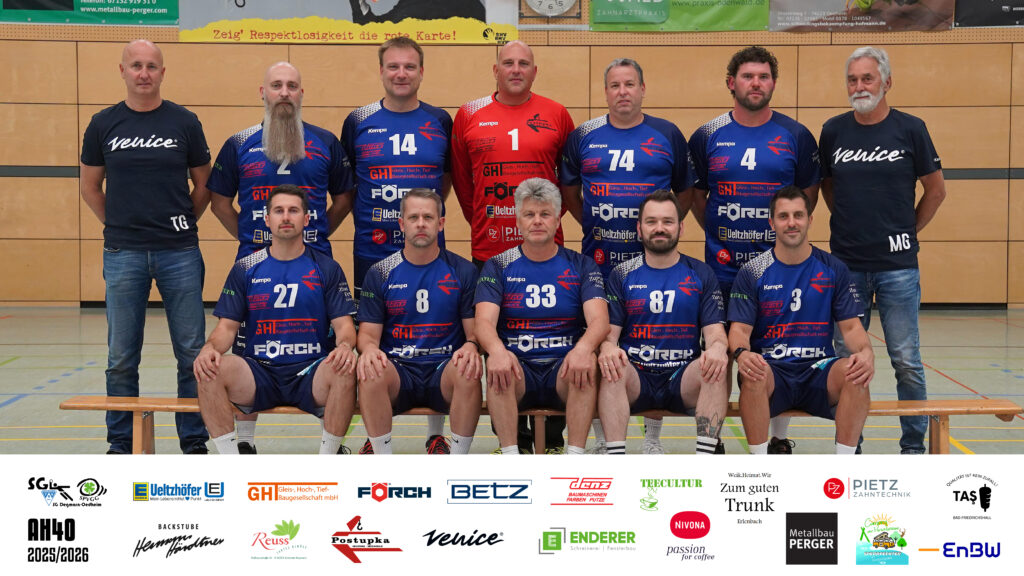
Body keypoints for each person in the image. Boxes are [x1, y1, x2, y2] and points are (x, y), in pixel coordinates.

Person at [207, 61, 352, 454]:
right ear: (263, 92)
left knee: (321, 350)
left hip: (313, 261)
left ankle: (331, 443)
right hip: (254, 260)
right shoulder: (239, 143)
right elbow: (219, 202)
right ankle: (244, 444)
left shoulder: (325, 142)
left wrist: (315, 233)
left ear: (301, 93)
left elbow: (343, 198)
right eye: (276, 85)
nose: (284, 92)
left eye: (291, 85)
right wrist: (250, 235)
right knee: (248, 349)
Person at [686, 46, 821, 454]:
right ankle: (713, 440)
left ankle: (777, 440)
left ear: (773, 83)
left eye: (763, 76)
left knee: (773, 354)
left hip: (778, 270)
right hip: (723, 268)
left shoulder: (795, 134)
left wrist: (782, 242)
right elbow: (697, 196)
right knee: (719, 355)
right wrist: (721, 232)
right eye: (748, 76)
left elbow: (807, 196)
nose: (756, 83)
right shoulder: (707, 135)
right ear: (732, 82)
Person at [80, 39, 212, 455]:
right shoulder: (102, 124)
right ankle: (121, 444)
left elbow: (204, 184)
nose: (143, 73)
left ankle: (194, 441)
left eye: (151, 66)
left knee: (192, 354)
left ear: (162, 73)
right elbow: (90, 186)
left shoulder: (184, 122)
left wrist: (183, 220)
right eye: (135, 65)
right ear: (122, 71)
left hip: (180, 253)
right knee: (121, 357)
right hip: (124, 254)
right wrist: (119, 224)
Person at [560, 58, 694, 454]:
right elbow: (569, 191)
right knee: (601, 349)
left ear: (642, 89)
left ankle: (652, 440)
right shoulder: (584, 135)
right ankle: (604, 440)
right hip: (599, 262)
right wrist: (593, 223)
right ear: (605, 92)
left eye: (630, 84)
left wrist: (660, 231)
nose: (623, 92)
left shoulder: (666, 133)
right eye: (615, 85)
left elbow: (685, 191)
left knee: (652, 347)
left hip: (652, 265)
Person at [819, 46, 945, 454]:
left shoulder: (911, 129)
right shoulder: (833, 131)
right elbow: (829, 187)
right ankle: (850, 447)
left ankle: (912, 448)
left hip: (898, 269)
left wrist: (907, 231)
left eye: (867, 78)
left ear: (886, 82)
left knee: (906, 360)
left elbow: (936, 190)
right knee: (847, 361)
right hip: (847, 267)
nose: (859, 86)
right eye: (853, 79)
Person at [452, 40, 575, 452]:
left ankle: (552, 438)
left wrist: (542, 225)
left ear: (535, 71)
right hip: (489, 250)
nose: (516, 69)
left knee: (553, 338)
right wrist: (486, 220)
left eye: (524, 63)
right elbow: (463, 183)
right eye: (508, 63)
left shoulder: (557, 114)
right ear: (496, 70)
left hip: (546, 250)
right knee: (500, 344)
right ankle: (513, 440)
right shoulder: (469, 113)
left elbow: (568, 182)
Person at [339, 36, 453, 449]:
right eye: (393, 66)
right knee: (372, 340)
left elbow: (445, 181)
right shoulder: (358, 120)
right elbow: (349, 184)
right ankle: (376, 434)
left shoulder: (439, 120)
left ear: (421, 72)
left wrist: (421, 221)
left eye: (409, 66)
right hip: (372, 252)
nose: (401, 74)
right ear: (381, 71)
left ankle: (435, 436)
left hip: (426, 252)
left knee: (434, 335)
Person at [193, 185, 358, 454]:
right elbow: (226, 328)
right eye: (279, 211)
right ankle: (232, 462)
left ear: (306, 219)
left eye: (293, 211)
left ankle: (329, 458)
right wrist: (209, 348)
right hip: (260, 371)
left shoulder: (326, 267)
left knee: (345, 367)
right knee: (208, 370)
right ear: (267, 220)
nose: (286, 217)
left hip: (311, 371)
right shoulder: (246, 267)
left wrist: (345, 346)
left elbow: (345, 327)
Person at [728, 186, 873, 455]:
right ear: (772, 223)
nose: (792, 223)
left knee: (856, 375)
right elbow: (739, 329)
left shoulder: (833, 268)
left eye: (798, 215)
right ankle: (760, 465)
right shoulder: (753, 271)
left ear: (810, 220)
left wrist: (866, 353)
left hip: (819, 369)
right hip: (773, 370)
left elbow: (852, 327)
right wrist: (742, 354)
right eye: (783, 216)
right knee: (754, 374)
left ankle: (844, 466)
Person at [474, 178, 609, 455]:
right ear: (518, 221)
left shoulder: (581, 265)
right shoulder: (498, 265)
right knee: (497, 366)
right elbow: (483, 323)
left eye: (545, 214)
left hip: (563, 368)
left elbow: (600, 320)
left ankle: (575, 456)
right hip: (518, 368)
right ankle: (511, 456)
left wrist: (583, 348)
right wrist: (497, 351)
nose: (537, 221)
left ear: (557, 221)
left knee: (586, 364)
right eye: (529, 214)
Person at [598, 190, 728, 454]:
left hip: (682, 377)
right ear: (639, 229)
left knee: (714, 368)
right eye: (651, 221)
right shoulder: (622, 274)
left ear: (681, 227)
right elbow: (609, 335)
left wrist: (717, 348)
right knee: (613, 367)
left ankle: (705, 461)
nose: (660, 228)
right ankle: (615, 460)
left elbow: (716, 334)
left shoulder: (701, 273)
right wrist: (608, 347)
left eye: (668, 221)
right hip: (637, 376)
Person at [355, 189, 482, 454]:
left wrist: (471, 346)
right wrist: (369, 350)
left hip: (444, 369)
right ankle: (382, 459)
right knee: (370, 369)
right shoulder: (380, 272)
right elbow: (367, 336)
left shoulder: (463, 271)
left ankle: (457, 461)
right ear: (402, 224)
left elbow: (474, 333)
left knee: (468, 369)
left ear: (441, 223)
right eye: (413, 217)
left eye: (428, 217)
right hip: (398, 369)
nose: (421, 224)